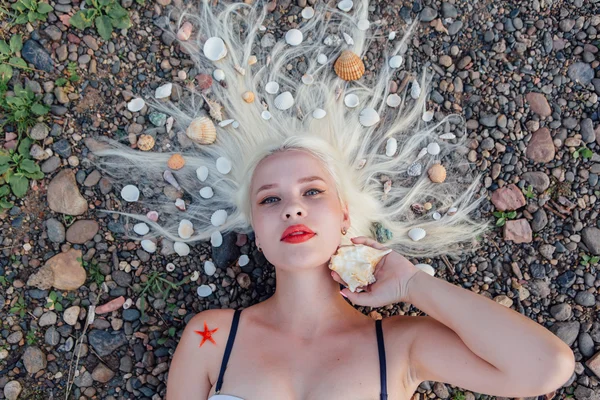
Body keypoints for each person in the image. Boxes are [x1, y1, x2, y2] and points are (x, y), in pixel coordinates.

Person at [88, 0, 575, 398]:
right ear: (254, 229)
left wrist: (412, 285)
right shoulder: (211, 337)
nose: (292, 208)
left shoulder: (399, 344)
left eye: (312, 192)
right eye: (270, 200)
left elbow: (544, 368)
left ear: (345, 215)